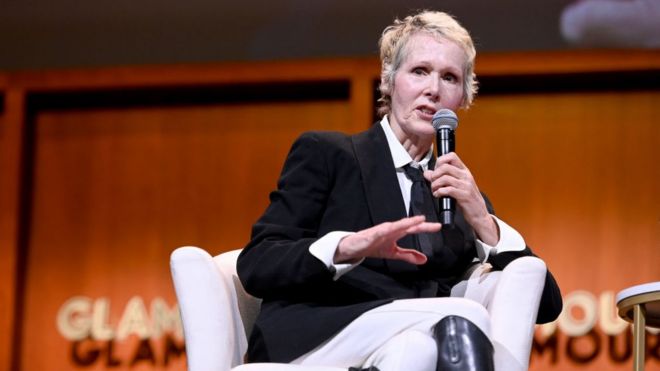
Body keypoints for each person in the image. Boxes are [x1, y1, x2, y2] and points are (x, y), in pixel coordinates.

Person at [237, 10, 562, 371]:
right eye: (419, 71)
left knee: (417, 350)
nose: (433, 90)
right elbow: (257, 264)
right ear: (388, 82)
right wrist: (345, 247)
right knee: (463, 316)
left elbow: (545, 303)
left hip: (405, 345)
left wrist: (485, 221)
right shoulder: (328, 154)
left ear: (462, 100)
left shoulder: (456, 192)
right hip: (318, 334)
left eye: (450, 78)